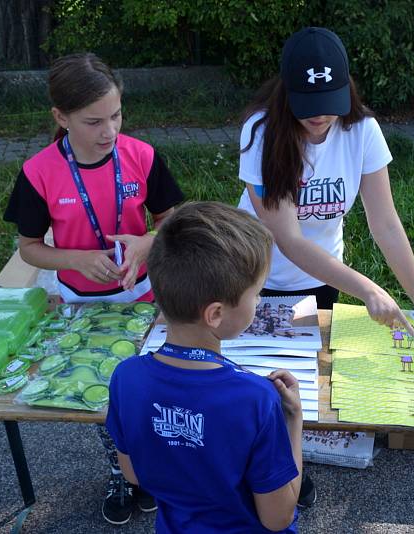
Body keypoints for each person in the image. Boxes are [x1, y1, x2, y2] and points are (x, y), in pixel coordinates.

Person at [3, 53, 184, 524]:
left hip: (142, 299)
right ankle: (119, 471)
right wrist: (77, 259)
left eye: (117, 115)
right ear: (60, 117)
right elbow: (28, 248)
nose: (109, 131)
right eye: (93, 121)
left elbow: (173, 220)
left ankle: (145, 471)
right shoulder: (39, 172)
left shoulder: (141, 155)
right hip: (80, 305)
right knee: (101, 399)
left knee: (143, 393)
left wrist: (147, 243)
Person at [237, 27, 414, 327]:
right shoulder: (261, 131)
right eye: (307, 105)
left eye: (328, 105)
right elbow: (289, 239)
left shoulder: (362, 130)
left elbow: (385, 223)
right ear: (287, 92)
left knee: (315, 368)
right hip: (253, 280)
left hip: (323, 278)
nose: (318, 117)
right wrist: (368, 289)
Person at [106, 201, 303, 533]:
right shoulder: (255, 399)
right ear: (215, 314)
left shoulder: (126, 378)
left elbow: (133, 474)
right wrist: (293, 421)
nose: (258, 302)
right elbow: (277, 517)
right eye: (256, 294)